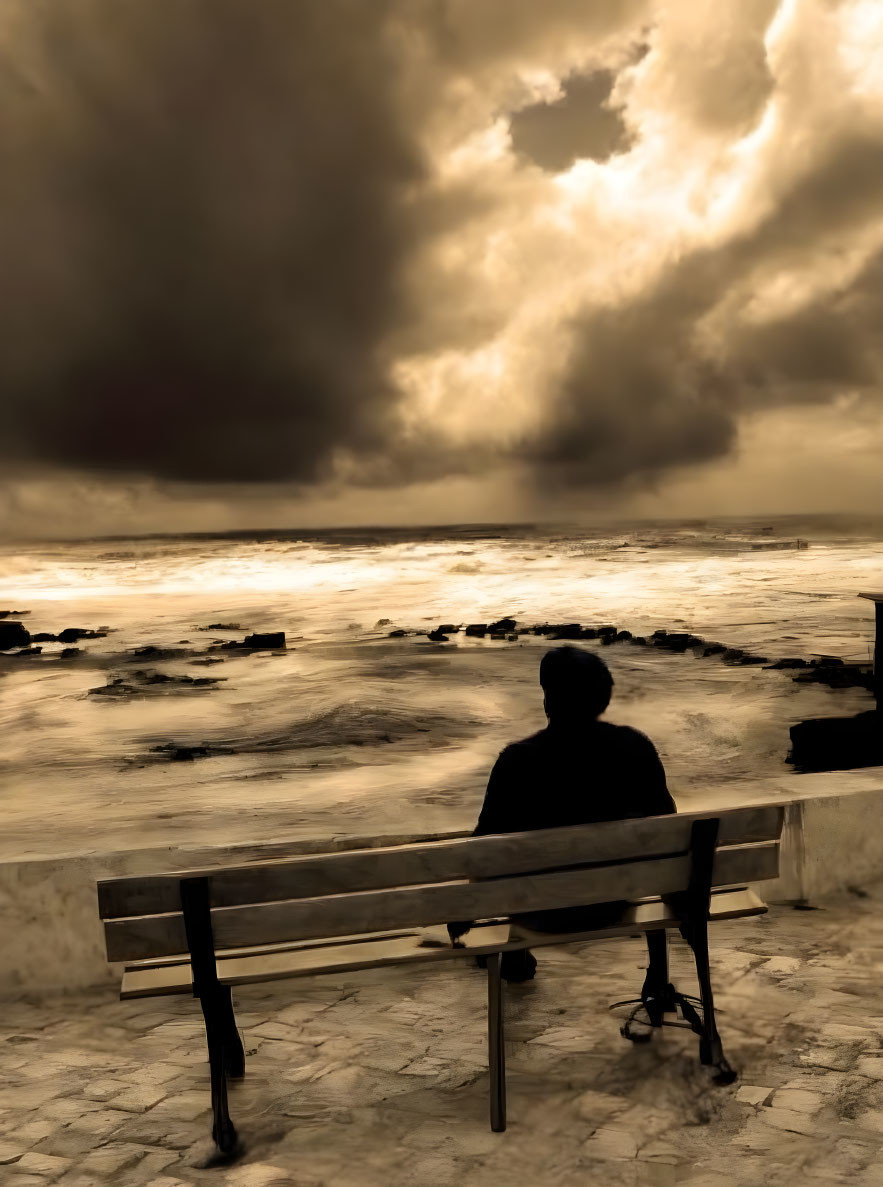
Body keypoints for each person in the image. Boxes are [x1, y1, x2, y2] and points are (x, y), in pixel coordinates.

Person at [449, 645, 676, 986]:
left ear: (548, 700)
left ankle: (514, 952)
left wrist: (464, 911)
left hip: (540, 914)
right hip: (613, 903)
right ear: (604, 698)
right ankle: (658, 970)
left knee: (505, 851)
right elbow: (668, 829)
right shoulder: (635, 748)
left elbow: (482, 851)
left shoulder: (517, 761)